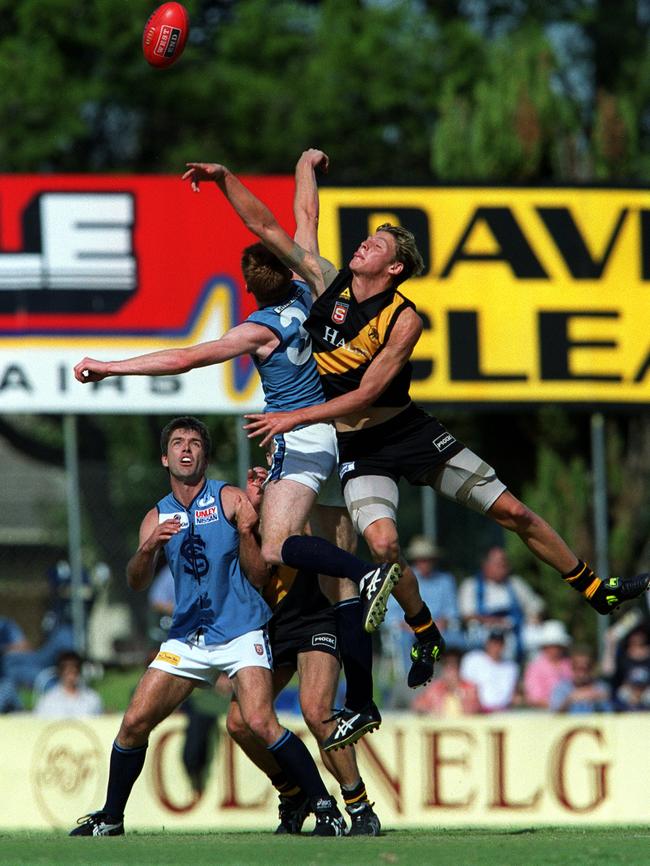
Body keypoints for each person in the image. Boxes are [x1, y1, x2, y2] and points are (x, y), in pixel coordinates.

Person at [200, 152, 650, 685]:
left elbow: (367, 392)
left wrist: (293, 416)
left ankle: (595, 589)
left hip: (409, 432)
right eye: (368, 239)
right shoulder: (326, 283)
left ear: (393, 268)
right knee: (385, 546)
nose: (364, 244)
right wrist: (236, 177)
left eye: (378, 246)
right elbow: (274, 223)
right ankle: (425, 634)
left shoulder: (404, 318)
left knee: (513, 512)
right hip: (359, 448)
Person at [73, 150, 397, 751]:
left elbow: (187, 357)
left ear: (249, 286)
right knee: (331, 545)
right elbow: (299, 216)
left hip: (299, 435)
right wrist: (303, 163)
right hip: (343, 431)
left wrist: (109, 365)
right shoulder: (317, 285)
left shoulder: (261, 328)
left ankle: (367, 582)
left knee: (278, 547)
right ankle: (363, 695)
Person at [70, 416, 346, 837]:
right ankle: (111, 818)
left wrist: (249, 531)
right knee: (133, 724)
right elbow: (136, 581)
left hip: (241, 631)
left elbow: (257, 575)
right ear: (165, 458)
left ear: (205, 455)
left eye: (195, 443)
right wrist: (146, 550)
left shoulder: (231, 499)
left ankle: (326, 808)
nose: (186, 449)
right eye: (178, 443)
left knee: (258, 721)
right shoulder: (156, 515)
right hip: (187, 639)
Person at [227, 553, 381, 835]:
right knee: (238, 722)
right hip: (268, 624)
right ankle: (294, 793)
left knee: (317, 711)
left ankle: (359, 805)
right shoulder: (236, 512)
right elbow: (247, 573)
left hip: (316, 617)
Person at [384, 535, 462, 676]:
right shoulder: (402, 579)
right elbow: (389, 615)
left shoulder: (446, 580)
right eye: (421, 559)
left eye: (428, 559)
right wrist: (407, 626)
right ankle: (412, 682)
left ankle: (456, 681)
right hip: (409, 631)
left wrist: (443, 621)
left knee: (463, 642)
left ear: (434, 560)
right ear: (415, 560)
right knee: (406, 642)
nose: (425, 563)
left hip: (439, 629)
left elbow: (453, 612)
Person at [459, 546, 544, 662]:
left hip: (514, 629)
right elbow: (466, 615)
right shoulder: (471, 585)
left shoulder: (515, 583)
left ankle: (533, 674)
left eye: (505, 563)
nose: (504, 567)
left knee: (535, 636)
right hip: (484, 630)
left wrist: (534, 618)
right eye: (499, 564)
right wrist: (494, 621)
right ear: (486, 565)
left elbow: (535, 606)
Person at [459, 630, 520, 712]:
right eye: (493, 643)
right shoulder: (473, 659)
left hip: (503, 712)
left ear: (504, 646)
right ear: (487, 643)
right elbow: (464, 686)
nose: (496, 647)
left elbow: (514, 695)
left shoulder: (511, 667)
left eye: (499, 644)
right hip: (478, 712)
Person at [34, 650, 103, 720]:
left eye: (75, 667)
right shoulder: (47, 700)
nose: (71, 671)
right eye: (66, 668)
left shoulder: (93, 698)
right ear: (60, 671)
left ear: (79, 670)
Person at [411, 649, 480, 717]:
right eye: (446, 665)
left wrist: (455, 689)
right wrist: (429, 710)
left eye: (452, 666)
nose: (449, 671)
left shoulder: (470, 687)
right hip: (439, 727)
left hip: (463, 727)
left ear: (458, 669)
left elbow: (474, 710)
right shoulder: (435, 687)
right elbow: (418, 705)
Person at [522, 619, 572, 709]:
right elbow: (534, 698)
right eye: (551, 645)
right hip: (544, 716)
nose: (555, 649)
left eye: (557, 645)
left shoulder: (569, 664)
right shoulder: (535, 668)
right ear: (545, 647)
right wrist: (560, 705)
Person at [549, 647, 612, 714]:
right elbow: (554, 714)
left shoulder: (602, 688)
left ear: (592, 668)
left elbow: (611, 715)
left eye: (586, 669)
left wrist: (598, 700)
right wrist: (570, 699)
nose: (581, 674)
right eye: (577, 668)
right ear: (572, 668)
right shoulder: (561, 688)